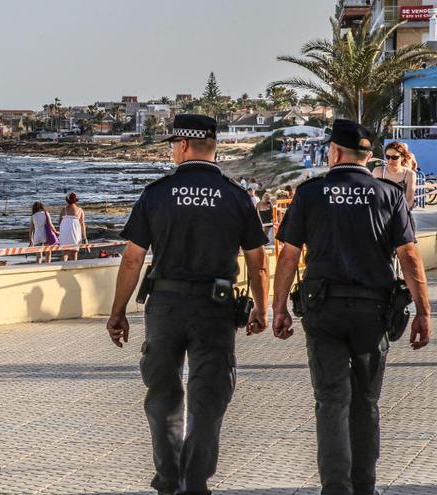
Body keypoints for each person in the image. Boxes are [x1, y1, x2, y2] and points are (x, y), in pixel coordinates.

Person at [107, 114, 270, 495]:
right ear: (213, 147)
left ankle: (168, 480)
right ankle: (194, 482)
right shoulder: (234, 195)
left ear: (181, 146)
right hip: (215, 308)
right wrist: (262, 308)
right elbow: (258, 261)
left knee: (163, 395)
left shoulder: (157, 193)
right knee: (208, 397)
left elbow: (132, 259)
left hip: (165, 305)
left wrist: (117, 311)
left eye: (171, 146)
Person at [272, 119, 431, 495]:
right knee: (366, 402)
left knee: (330, 400)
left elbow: (288, 257)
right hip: (372, 313)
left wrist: (278, 308)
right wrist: (424, 312)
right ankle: (364, 487)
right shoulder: (388, 194)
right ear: (367, 156)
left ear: (335, 151)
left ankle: (335, 488)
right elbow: (409, 256)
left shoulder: (310, 193)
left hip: (323, 311)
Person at [373, 141, 416, 209]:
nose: (390, 161)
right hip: (381, 213)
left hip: (402, 212)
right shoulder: (378, 171)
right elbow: (374, 197)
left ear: (402, 157)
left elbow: (409, 200)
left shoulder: (409, 174)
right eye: (387, 157)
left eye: (395, 157)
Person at [58, 192, 88, 262]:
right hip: (75, 231)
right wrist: (84, 237)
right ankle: (73, 267)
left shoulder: (64, 209)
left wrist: (59, 232)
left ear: (67, 200)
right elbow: (82, 224)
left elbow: (59, 222)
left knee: (65, 252)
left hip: (65, 231)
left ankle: (63, 267)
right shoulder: (80, 210)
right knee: (74, 252)